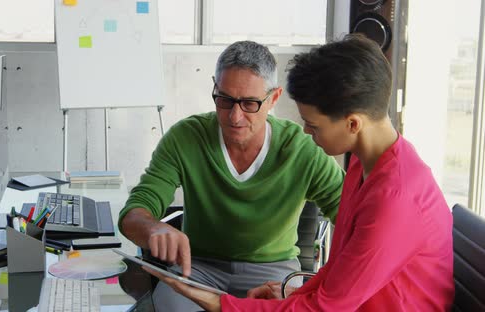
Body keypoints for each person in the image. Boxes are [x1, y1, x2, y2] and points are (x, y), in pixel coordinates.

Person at [145, 34, 455, 311]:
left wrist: (221, 304)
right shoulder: (366, 163)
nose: (305, 131)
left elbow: (326, 307)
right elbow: (340, 274)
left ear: (352, 124)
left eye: (314, 124)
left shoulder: (395, 199)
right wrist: (294, 292)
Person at [118, 40, 345, 311]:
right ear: (214, 87)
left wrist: (317, 283)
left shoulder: (302, 148)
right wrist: (152, 227)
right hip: (197, 268)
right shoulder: (186, 137)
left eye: (249, 103)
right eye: (224, 100)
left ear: (273, 98)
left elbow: (352, 217)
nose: (234, 117)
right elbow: (135, 211)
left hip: (272, 273)